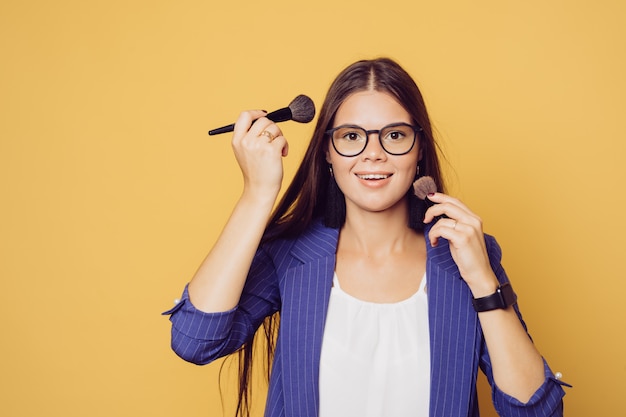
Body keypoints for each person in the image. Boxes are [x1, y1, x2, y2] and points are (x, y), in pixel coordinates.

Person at [164, 57, 568, 417]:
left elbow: (535, 412)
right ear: (327, 151)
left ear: (419, 149)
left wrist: (484, 283)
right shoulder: (290, 254)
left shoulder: (465, 255)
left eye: (394, 135)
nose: (373, 153)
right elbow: (196, 340)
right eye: (352, 136)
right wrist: (257, 192)